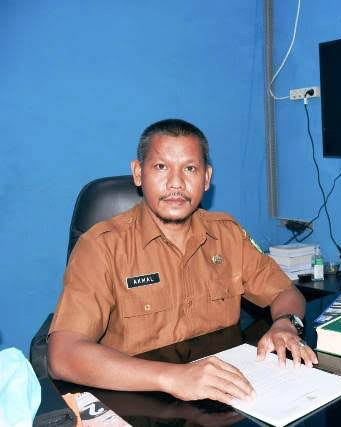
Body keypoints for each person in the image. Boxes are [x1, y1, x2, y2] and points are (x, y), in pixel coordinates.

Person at [47, 119, 317, 404]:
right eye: (161, 167)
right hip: (138, 400)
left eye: (189, 169)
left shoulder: (227, 234)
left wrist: (286, 324)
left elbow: (285, 292)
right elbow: (62, 355)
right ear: (138, 173)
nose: (176, 183)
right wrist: (173, 377)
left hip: (221, 393)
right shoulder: (101, 247)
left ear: (206, 178)